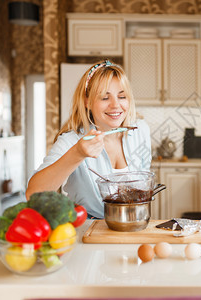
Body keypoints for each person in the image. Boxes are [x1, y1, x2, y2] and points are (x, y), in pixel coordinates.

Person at [26, 60, 152, 218]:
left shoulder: (141, 130)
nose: (115, 105)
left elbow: (144, 179)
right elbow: (33, 194)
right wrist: (77, 154)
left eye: (122, 96)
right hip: (87, 230)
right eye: (105, 98)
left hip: (134, 223)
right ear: (87, 101)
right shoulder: (72, 141)